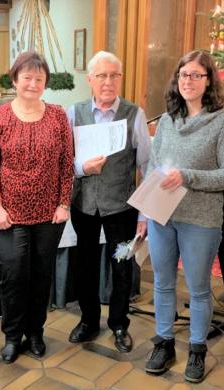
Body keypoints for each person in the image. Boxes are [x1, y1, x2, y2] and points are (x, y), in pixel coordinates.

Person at [144, 50, 224, 382]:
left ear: (209, 81)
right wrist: (145, 209)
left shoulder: (223, 123)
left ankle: (197, 350)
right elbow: (153, 166)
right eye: (183, 74)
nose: (188, 81)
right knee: (162, 283)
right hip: (162, 215)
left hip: (200, 219)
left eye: (196, 75)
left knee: (199, 288)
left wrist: (188, 176)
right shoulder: (168, 120)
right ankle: (164, 343)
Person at [0, 51, 74, 364]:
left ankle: (35, 332)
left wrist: (64, 203)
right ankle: (12, 335)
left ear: (45, 82)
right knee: (13, 275)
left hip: (50, 215)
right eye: (27, 78)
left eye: (39, 78)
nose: (32, 83)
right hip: (9, 214)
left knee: (41, 275)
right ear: (15, 80)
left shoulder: (58, 116)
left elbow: (66, 163)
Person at [65, 51, 150, 353]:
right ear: (90, 80)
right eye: (101, 75)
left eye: (114, 75)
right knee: (84, 265)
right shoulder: (74, 113)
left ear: (120, 78)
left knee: (122, 265)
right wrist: (82, 168)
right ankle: (88, 320)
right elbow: (64, 160)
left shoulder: (134, 114)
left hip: (122, 207)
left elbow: (146, 166)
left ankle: (119, 324)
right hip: (84, 205)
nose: (108, 82)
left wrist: (144, 214)